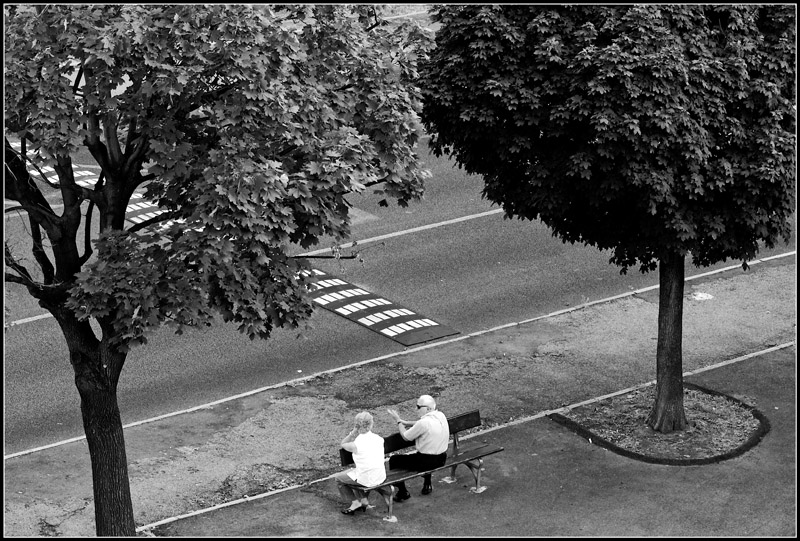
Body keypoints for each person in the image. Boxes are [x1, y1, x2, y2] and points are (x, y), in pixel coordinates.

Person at [386, 394, 450, 501]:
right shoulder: (440, 415)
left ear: (428, 408)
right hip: (442, 458)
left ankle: (403, 492)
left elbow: (406, 436)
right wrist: (406, 422)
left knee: (394, 460)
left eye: (419, 407)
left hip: (425, 462)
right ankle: (427, 484)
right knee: (421, 457)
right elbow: (420, 424)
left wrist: (398, 421)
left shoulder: (424, 423)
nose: (416, 409)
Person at [333, 411, 387, 515]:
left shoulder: (356, 444)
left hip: (366, 478)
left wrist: (352, 433)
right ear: (371, 424)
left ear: (357, 425)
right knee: (356, 473)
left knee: (339, 479)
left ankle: (355, 503)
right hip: (380, 476)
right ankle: (364, 500)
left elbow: (343, 443)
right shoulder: (379, 439)